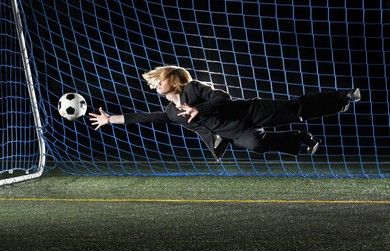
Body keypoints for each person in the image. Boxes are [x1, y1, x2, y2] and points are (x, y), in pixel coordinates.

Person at [89, 66, 361, 161]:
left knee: (294, 108)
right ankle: (300, 139)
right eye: (154, 81)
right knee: (256, 144)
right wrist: (109, 119)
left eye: (161, 79)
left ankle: (341, 97)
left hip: (249, 110)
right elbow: (144, 117)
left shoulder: (194, 88)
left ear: (174, 79)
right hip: (237, 131)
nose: (157, 83)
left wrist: (199, 108)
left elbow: (222, 97)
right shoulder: (171, 113)